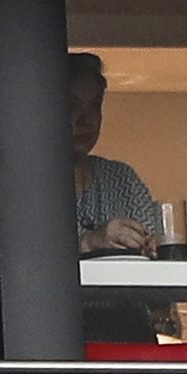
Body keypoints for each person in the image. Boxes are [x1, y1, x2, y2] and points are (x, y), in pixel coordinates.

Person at [70, 51, 157, 256]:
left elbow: (151, 247)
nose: (86, 119)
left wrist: (151, 247)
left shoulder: (123, 180)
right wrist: (89, 242)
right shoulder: (27, 186)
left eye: (95, 106)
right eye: (72, 105)